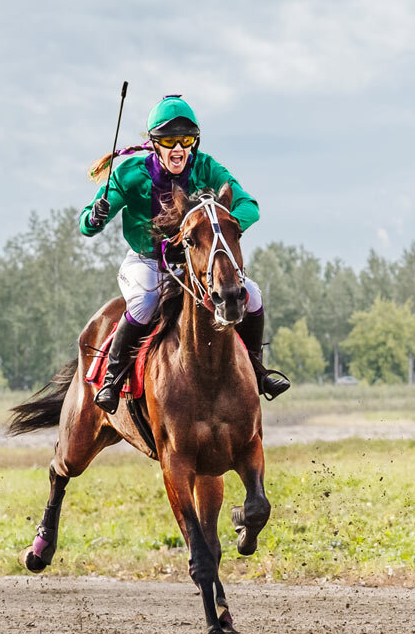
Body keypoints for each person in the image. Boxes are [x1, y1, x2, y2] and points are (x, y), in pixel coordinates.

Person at [81, 94, 289, 413]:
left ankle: (258, 372)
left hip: (195, 263)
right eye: (169, 141)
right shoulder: (129, 173)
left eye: (186, 140)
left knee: (253, 295)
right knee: (145, 302)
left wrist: (220, 225)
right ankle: (112, 377)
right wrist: (95, 216)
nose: (179, 149)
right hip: (147, 262)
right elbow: (87, 225)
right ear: (154, 143)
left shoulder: (206, 166)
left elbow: (249, 206)